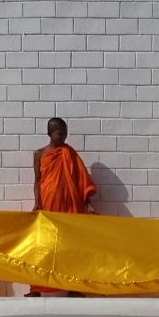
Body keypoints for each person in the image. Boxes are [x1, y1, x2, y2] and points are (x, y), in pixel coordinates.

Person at [27, 117, 97, 297]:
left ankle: (73, 288)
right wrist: (37, 203)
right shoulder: (39, 154)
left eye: (65, 133)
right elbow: (37, 181)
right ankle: (36, 288)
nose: (64, 136)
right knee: (44, 246)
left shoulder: (70, 153)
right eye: (60, 133)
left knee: (70, 246)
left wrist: (88, 204)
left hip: (70, 205)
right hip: (49, 205)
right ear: (49, 133)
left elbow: (81, 178)